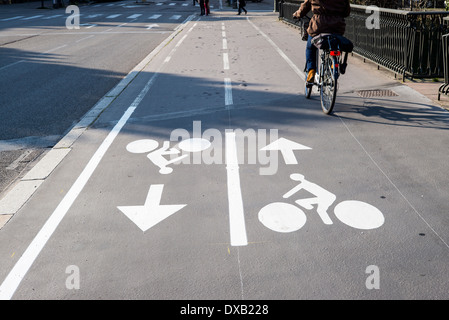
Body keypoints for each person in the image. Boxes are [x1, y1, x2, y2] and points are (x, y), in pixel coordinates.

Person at [293, 0, 351, 84]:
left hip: (318, 25)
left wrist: (297, 14)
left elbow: (305, 6)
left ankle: (311, 71)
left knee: (310, 46)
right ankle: (333, 66)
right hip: (337, 26)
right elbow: (346, 12)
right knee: (336, 42)